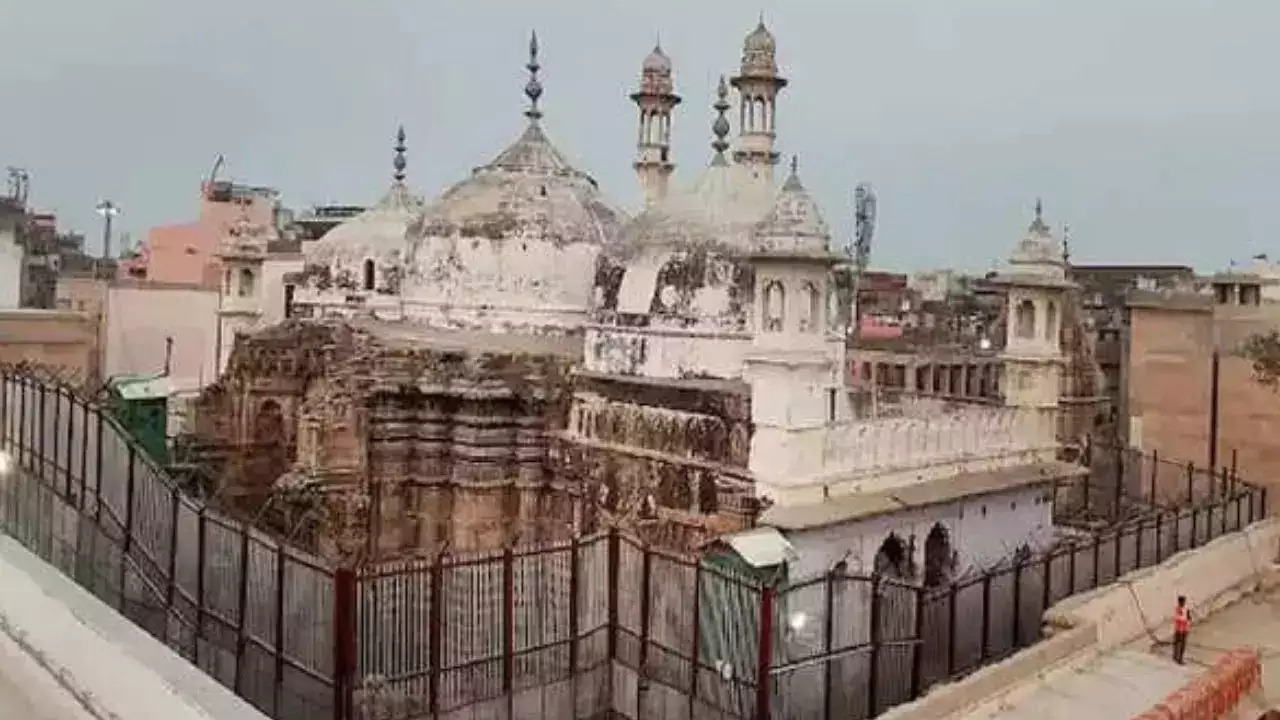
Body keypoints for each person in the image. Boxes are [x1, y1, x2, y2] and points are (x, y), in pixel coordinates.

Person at [1173, 595, 1191, 664]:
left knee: (1181, 644)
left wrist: (1188, 623)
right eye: (1181, 602)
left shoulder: (1185, 609)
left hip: (1184, 629)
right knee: (1178, 643)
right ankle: (1177, 657)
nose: (1182, 603)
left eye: (1183, 602)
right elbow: (1179, 618)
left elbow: (1188, 618)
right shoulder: (1178, 609)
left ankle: (1179, 657)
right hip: (1179, 629)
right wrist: (1186, 620)